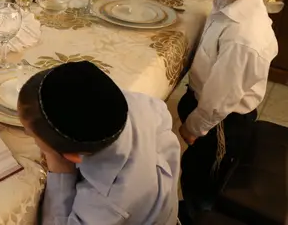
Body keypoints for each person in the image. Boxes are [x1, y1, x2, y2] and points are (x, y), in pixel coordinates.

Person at [177, 0, 287, 219]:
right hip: (204, 104)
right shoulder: (230, 0)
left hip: (221, 125)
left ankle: (198, 215)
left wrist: (194, 127)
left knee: (205, 179)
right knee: (192, 169)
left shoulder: (244, 36)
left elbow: (220, 98)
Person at [18, 61, 180, 224]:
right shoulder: (139, 103)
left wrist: (60, 168)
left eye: (30, 133)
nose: (26, 133)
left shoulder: (108, 202)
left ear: (72, 156)